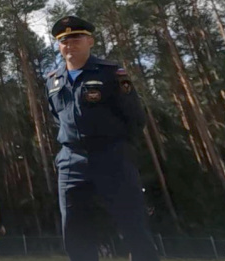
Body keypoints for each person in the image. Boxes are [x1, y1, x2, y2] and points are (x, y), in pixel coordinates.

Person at [44, 16, 159, 261]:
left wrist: (117, 147)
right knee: (75, 231)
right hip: (71, 160)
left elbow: (135, 117)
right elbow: (58, 117)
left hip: (111, 156)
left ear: (90, 41)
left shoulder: (111, 73)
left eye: (76, 38)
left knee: (132, 225)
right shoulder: (53, 80)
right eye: (63, 40)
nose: (69, 44)